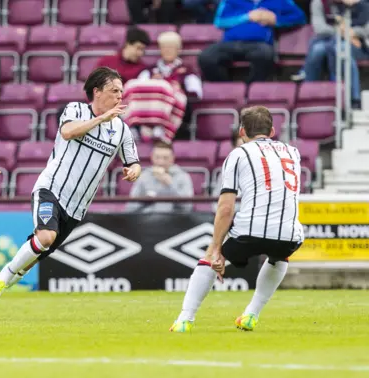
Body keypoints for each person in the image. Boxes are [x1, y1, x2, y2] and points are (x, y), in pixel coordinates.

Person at [0, 67, 142, 321]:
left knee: (32, 258)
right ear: (97, 92)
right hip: (51, 189)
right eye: (114, 91)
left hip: (77, 208)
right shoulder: (75, 110)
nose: (120, 97)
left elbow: (134, 161)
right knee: (45, 237)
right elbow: (68, 132)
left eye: (122, 92)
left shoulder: (121, 130)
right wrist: (102, 118)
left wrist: (133, 170)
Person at [170, 106, 304, 333]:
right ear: (272, 131)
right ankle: (251, 314)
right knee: (279, 256)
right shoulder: (293, 152)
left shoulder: (238, 154)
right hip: (290, 233)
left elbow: (225, 207)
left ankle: (185, 319)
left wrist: (216, 248)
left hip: (250, 231)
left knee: (209, 260)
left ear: (242, 132)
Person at [199, 0, 305, 83]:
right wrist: (247, 17)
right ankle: (225, 89)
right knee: (206, 56)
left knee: (266, 54)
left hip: (258, 45)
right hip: (229, 44)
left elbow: (300, 17)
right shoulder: (230, 0)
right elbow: (219, 22)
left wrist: (276, 20)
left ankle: (251, 91)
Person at [125, 141, 194, 213]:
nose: (161, 162)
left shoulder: (183, 177)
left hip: (174, 220)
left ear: (173, 158)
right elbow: (130, 208)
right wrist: (145, 200)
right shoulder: (143, 176)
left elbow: (187, 207)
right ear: (152, 157)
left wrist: (170, 185)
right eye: (157, 157)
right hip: (147, 220)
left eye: (165, 158)